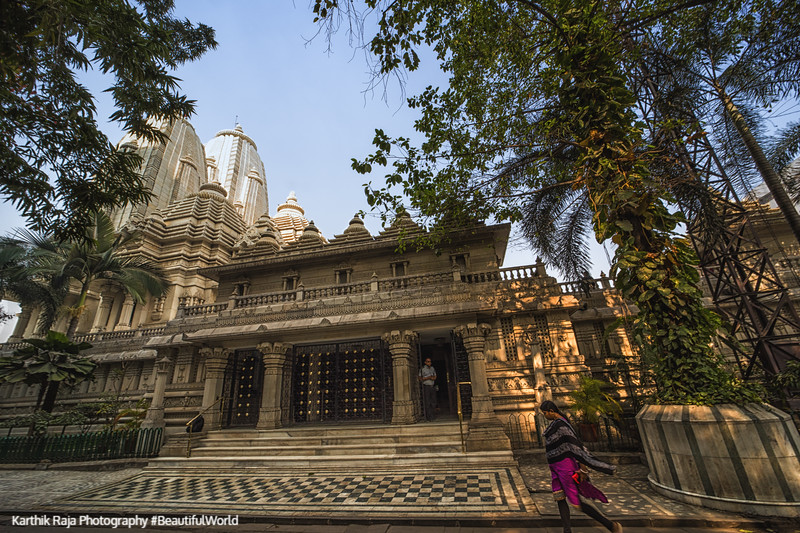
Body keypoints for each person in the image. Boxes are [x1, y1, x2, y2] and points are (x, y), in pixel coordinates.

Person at [540, 400, 622, 533]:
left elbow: (576, 447)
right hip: (556, 468)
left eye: (545, 413)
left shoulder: (562, 425)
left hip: (566, 467)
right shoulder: (556, 423)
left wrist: (583, 468)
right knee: (560, 497)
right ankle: (567, 530)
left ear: (551, 411)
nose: (544, 416)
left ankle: (611, 525)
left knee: (576, 503)